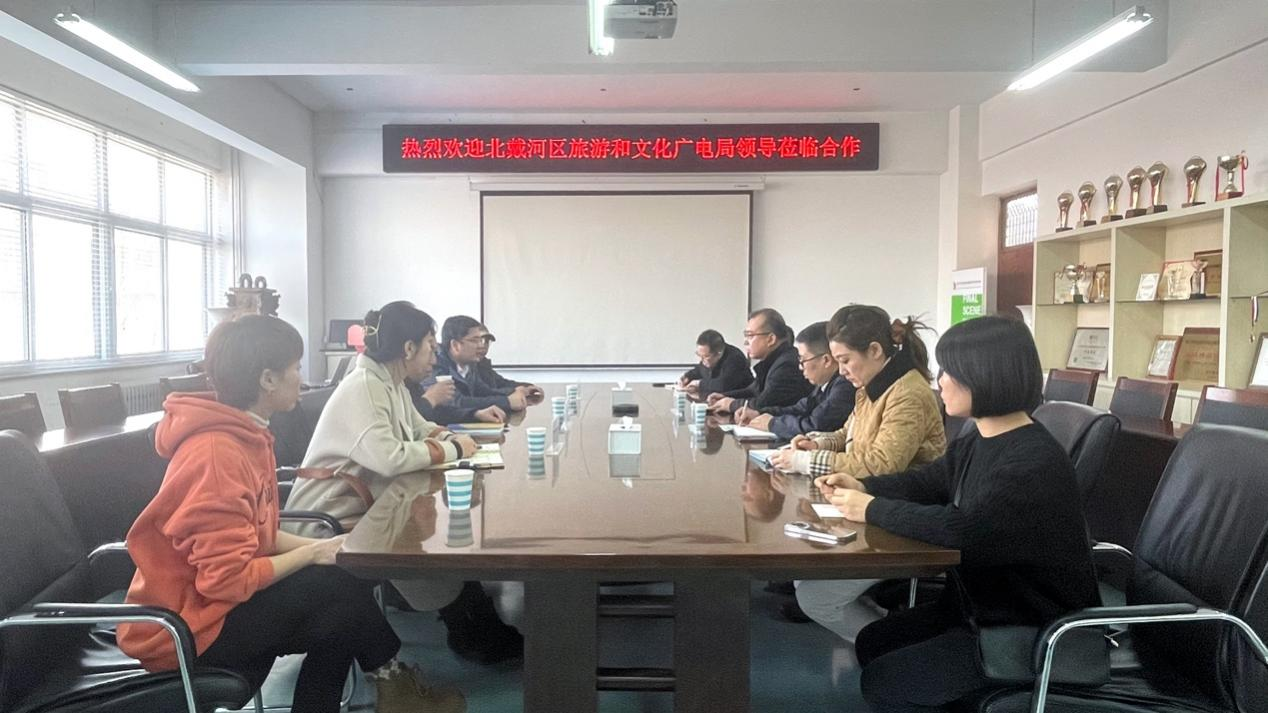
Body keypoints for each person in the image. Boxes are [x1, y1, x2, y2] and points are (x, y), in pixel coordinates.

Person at [117, 315, 463, 713]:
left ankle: (390, 689)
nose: (302, 378)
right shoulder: (217, 454)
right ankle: (395, 689)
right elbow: (227, 580)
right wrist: (313, 552)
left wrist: (330, 547)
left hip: (209, 609)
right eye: (296, 368)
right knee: (339, 589)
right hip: (184, 630)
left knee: (341, 595)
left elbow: (258, 535)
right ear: (267, 379)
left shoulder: (248, 434)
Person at [822, 316, 1100, 712]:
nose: (940, 382)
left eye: (949, 372)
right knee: (873, 643)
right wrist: (864, 486)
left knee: (884, 683)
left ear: (984, 375)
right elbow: (929, 481)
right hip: (974, 607)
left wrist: (871, 509)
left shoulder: (1032, 461)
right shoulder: (980, 438)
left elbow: (963, 531)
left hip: (1024, 627)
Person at [285, 302, 523, 665]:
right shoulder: (365, 386)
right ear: (408, 348)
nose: (435, 357)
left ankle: (475, 625)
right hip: (327, 516)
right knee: (416, 535)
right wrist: (454, 447)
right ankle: (471, 631)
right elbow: (390, 458)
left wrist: (447, 436)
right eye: (430, 346)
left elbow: (419, 428)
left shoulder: (389, 382)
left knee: (422, 526)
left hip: (368, 500)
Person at [768, 305, 946, 639]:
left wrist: (804, 462)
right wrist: (816, 442)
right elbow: (846, 434)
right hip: (869, 503)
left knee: (814, 597)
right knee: (803, 576)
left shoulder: (908, 393)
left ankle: (891, 647)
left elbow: (880, 464)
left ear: (875, 350)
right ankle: (885, 625)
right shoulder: (873, 384)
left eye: (845, 360)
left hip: (902, 514)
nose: (841, 370)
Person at [734, 321, 855, 440]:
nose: (800, 367)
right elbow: (800, 408)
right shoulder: (825, 383)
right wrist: (759, 413)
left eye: (802, 360)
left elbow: (815, 426)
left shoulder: (844, 385)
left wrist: (772, 423)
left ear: (826, 360)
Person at [706, 308, 811, 413]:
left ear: (771, 339)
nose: (745, 342)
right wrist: (725, 396)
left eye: (750, 335)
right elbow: (753, 390)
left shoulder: (787, 365)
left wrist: (731, 404)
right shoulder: (773, 360)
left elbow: (763, 404)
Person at [430, 315, 529, 413]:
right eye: (475, 340)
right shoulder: (434, 365)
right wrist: (507, 402)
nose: (481, 345)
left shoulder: (469, 364)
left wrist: (516, 391)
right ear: (455, 345)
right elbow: (457, 402)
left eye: (481, 340)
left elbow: (482, 391)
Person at [473, 324, 544, 402]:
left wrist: (528, 387)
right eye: (478, 341)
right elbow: (484, 393)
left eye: (486, 341)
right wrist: (513, 394)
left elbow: (502, 383)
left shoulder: (483, 364)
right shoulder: (466, 368)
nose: (483, 346)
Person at [678, 328, 754, 398]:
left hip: (742, 401)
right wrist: (688, 376)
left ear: (719, 353)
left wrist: (699, 384)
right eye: (699, 355)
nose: (702, 360)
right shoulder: (708, 359)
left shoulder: (735, 358)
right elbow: (700, 370)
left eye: (706, 356)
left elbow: (723, 385)